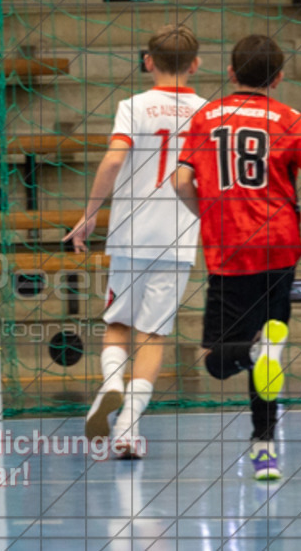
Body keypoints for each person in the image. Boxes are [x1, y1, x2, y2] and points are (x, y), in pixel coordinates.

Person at [173, 34, 301, 480]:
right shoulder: (290, 118)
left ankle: (257, 361)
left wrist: (209, 214)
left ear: (232, 72)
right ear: (278, 77)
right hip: (279, 247)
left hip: (230, 248)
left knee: (217, 362)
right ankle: (264, 450)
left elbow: (180, 181)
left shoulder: (206, 117)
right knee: (266, 352)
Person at [65, 25, 206, 458]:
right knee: (153, 334)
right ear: (196, 64)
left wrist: (90, 215)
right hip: (179, 234)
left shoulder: (133, 106)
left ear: (148, 62)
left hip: (130, 233)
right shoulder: (208, 112)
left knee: (117, 324)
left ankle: (110, 384)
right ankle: (127, 429)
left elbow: (113, 159)